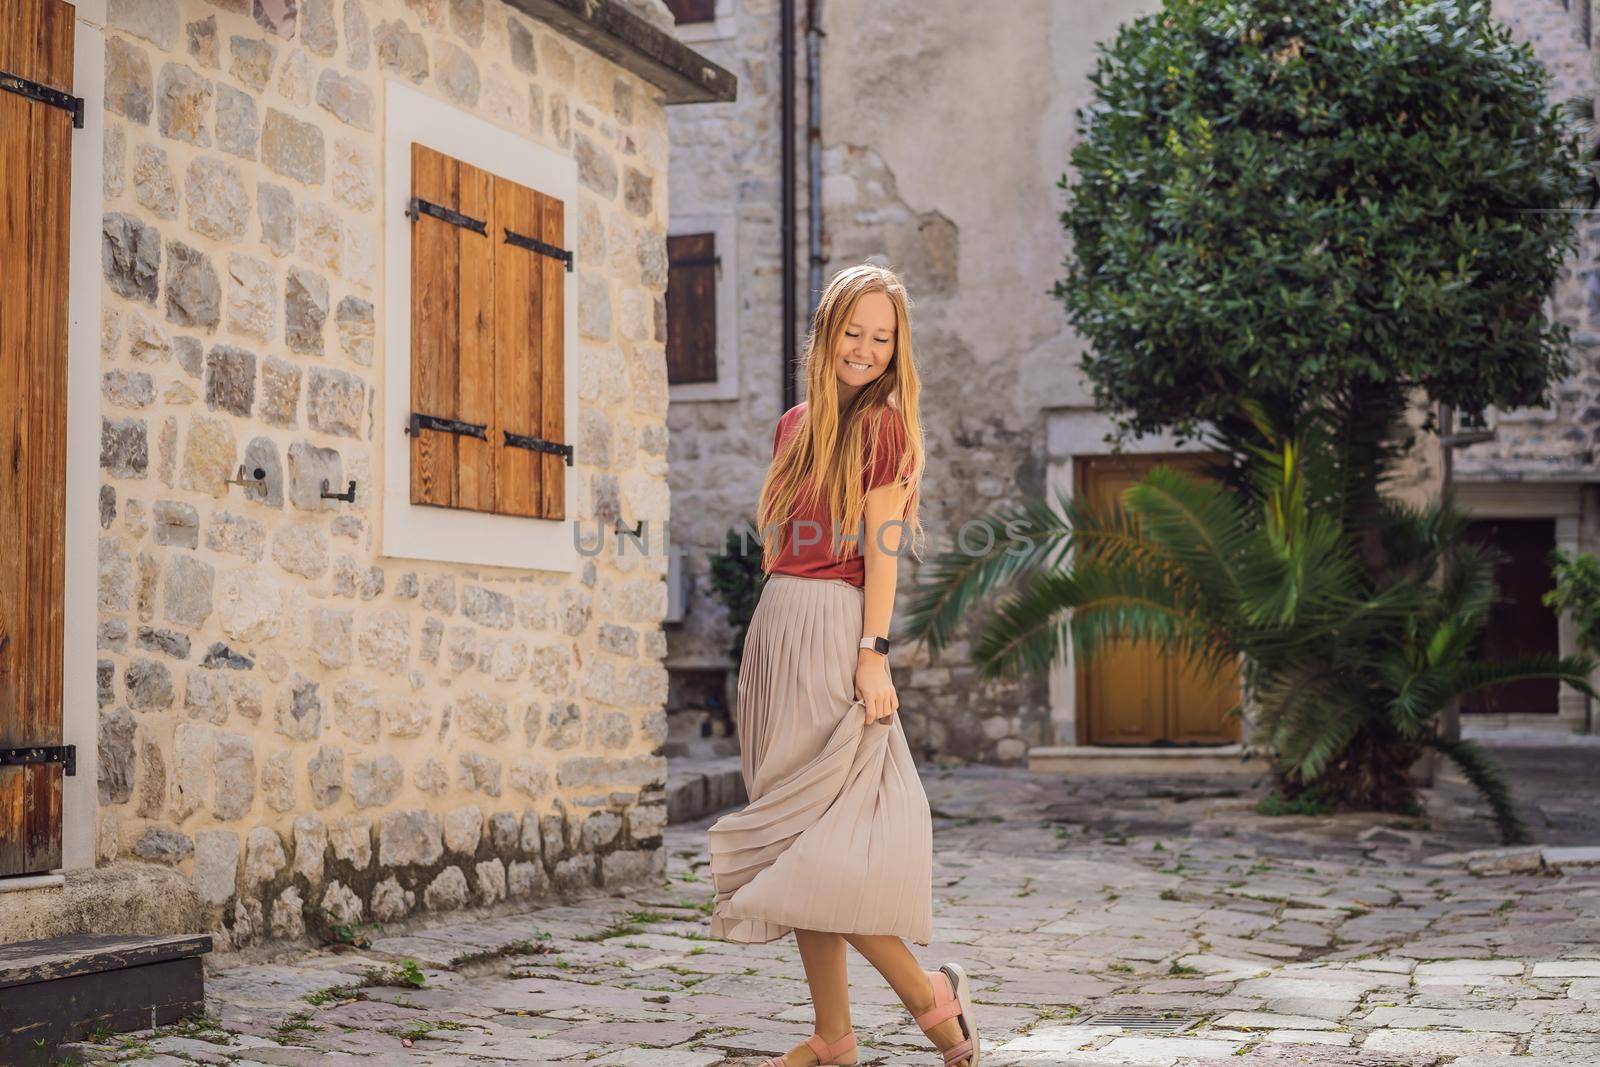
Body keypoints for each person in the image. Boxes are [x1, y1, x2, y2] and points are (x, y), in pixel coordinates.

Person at [706, 264, 981, 1067]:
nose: (864, 349)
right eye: (852, 332)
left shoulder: (888, 428)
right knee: (797, 845)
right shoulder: (794, 423)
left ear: (898, 350)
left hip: (836, 634)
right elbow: (781, 539)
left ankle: (933, 998)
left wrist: (873, 653)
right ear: (827, 334)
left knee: (821, 850)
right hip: (778, 629)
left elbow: (885, 551)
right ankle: (834, 1037)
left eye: (881, 337)